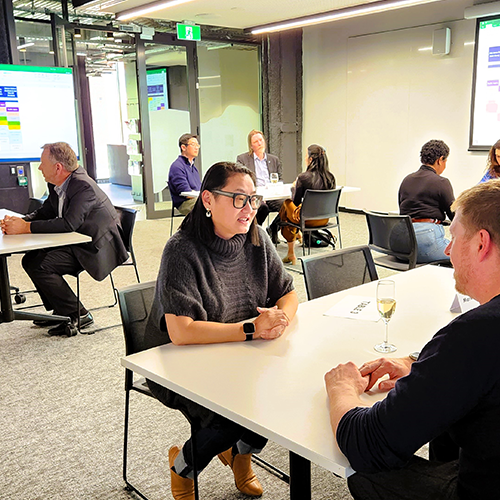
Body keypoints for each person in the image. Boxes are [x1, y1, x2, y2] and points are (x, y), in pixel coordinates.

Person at [324, 179, 500, 500]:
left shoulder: (473, 333)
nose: (446, 250)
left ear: (480, 243)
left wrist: (342, 388)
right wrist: (419, 364)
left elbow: (367, 443)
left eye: (453, 237)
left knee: (365, 472)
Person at [144, 161, 298, 500]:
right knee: (233, 412)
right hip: (178, 361)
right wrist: (252, 330)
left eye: (253, 200)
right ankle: (182, 467)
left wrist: (279, 320)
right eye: (238, 199)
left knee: (283, 393)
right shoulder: (182, 250)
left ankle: (239, 455)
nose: (248, 209)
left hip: (239, 351)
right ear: (208, 201)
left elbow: (287, 292)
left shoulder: (254, 239)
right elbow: (182, 332)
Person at [0, 142, 128, 336]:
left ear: (58, 167)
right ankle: (61, 311)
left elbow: (69, 224)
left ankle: (79, 313)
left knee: (43, 265)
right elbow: (46, 211)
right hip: (76, 239)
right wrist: (21, 221)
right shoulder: (57, 184)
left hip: (95, 246)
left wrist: (25, 228)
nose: (40, 167)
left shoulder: (83, 186)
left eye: (42, 163)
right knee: (30, 260)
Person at [278, 144, 336, 265]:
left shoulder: (303, 177)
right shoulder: (331, 177)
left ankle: (291, 252)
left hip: (307, 220)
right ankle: (294, 238)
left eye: (305, 155)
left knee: (286, 205)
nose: (305, 158)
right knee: (289, 212)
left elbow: (296, 202)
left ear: (310, 159)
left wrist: (294, 187)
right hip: (324, 219)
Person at [398, 139, 454, 263]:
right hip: (425, 242)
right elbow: (454, 216)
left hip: (400, 245)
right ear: (440, 160)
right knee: (465, 255)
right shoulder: (441, 182)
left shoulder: (406, 179)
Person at [236, 129, 283, 228]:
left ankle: (274, 228)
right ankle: (256, 232)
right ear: (251, 146)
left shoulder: (274, 160)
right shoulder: (243, 159)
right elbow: (241, 180)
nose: (259, 143)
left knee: (287, 206)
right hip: (255, 195)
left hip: (271, 193)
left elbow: (279, 179)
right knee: (262, 208)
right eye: (255, 142)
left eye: (261, 140)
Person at [168, 133, 202, 215]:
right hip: (185, 203)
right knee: (209, 206)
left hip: (196, 199)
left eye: (197, 145)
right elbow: (185, 192)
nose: (196, 147)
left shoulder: (193, 167)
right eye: (193, 144)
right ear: (183, 147)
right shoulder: (177, 166)